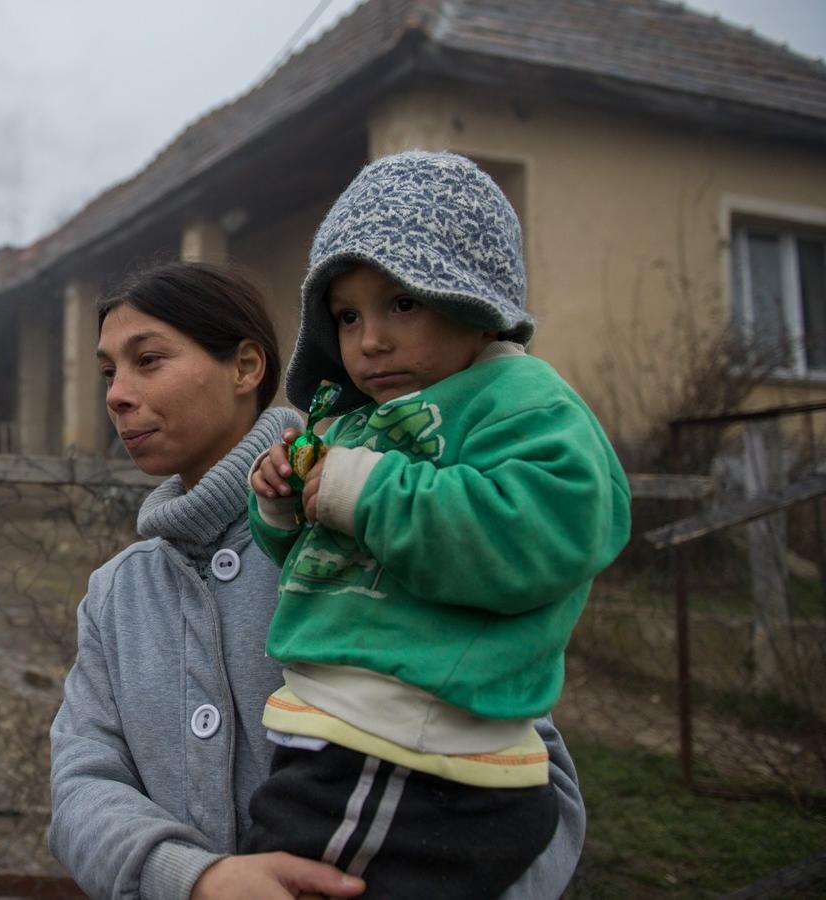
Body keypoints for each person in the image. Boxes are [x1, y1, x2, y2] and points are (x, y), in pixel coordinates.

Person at [49, 260, 587, 900]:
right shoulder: (117, 594)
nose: (115, 394)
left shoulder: (379, 522)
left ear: (247, 367)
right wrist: (195, 879)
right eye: (109, 371)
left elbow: (535, 782)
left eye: (148, 360)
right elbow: (83, 782)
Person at [241, 152, 631, 896]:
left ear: (476, 300)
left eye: (402, 304)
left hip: (410, 755)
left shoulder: (521, 400)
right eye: (347, 316)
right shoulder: (361, 420)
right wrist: (284, 505)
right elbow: (317, 556)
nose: (369, 341)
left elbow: (542, 531)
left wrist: (363, 490)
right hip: (351, 738)